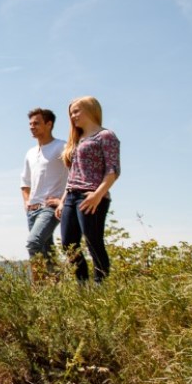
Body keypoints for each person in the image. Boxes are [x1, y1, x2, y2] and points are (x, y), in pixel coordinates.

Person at [55, 96, 120, 282]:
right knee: (69, 245)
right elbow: (73, 174)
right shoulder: (77, 141)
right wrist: (62, 201)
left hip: (91, 196)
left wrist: (97, 195)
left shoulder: (105, 136)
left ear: (91, 109)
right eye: (71, 113)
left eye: (76, 111)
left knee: (93, 242)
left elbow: (113, 170)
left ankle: (101, 287)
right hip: (71, 196)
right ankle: (82, 288)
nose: (73, 116)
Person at [20, 108, 69, 274]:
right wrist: (26, 201)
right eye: (30, 124)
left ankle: (39, 289)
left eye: (36, 123)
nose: (32, 127)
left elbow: (76, 173)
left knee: (33, 243)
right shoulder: (30, 153)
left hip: (49, 207)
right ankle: (56, 288)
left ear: (49, 124)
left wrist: (63, 200)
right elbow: (25, 181)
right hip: (32, 210)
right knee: (47, 252)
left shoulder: (61, 147)